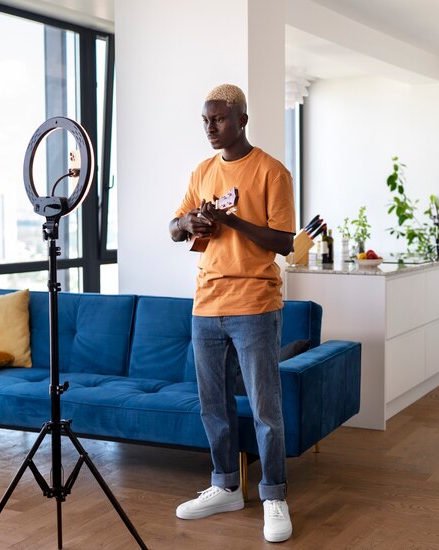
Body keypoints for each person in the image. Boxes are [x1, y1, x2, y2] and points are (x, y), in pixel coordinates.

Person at [169, 84, 296, 543]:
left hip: (255, 305)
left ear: (242, 119)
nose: (210, 127)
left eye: (218, 119)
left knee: (265, 409)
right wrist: (190, 224)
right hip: (206, 305)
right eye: (205, 120)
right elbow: (173, 227)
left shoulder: (271, 172)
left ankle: (274, 496)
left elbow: (285, 242)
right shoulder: (202, 171)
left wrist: (232, 221)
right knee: (214, 406)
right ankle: (225, 486)